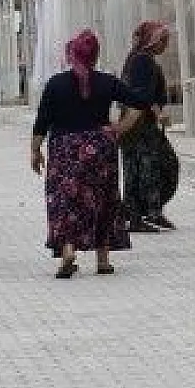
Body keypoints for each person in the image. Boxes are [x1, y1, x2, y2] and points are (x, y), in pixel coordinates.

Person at [31, 30, 150, 279]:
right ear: (95, 57)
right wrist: (120, 127)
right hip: (99, 148)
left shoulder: (55, 84)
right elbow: (140, 102)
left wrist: (35, 151)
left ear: (70, 55)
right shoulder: (107, 82)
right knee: (103, 200)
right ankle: (103, 260)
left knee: (64, 203)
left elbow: (42, 121)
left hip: (64, 150)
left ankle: (67, 251)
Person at [119, 21, 181, 233]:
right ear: (153, 41)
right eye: (163, 40)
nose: (166, 45)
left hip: (138, 126)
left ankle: (148, 212)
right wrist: (158, 113)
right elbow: (141, 95)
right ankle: (143, 214)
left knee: (143, 170)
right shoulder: (142, 61)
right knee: (154, 168)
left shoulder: (139, 59)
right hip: (138, 127)